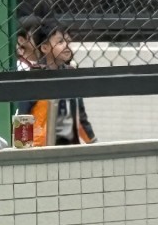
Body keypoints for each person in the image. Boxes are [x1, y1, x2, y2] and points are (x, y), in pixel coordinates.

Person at [15, 19, 97, 147]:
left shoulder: (72, 76)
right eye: (60, 42)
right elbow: (23, 116)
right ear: (45, 48)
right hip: (39, 149)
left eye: (68, 41)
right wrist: (24, 151)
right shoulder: (35, 77)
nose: (67, 46)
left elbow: (81, 118)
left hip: (68, 146)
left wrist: (93, 143)